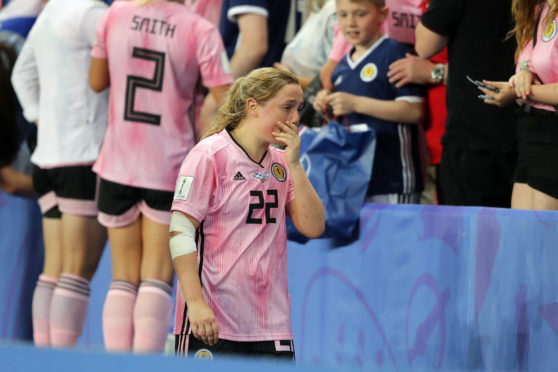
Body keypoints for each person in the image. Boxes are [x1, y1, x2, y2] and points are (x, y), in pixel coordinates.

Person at [89, 0, 233, 354]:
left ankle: (116, 363)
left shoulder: (114, 13)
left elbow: (96, 82)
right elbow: (229, 102)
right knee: (156, 276)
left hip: (118, 160)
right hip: (169, 165)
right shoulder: (199, 29)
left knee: (122, 277)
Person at [171, 67, 325, 359]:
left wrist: (294, 165)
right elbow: (180, 232)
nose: (295, 118)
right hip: (213, 322)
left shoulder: (282, 163)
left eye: (299, 108)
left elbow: (314, 227)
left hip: (272, 326)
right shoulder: (209, 156)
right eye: (287, 107)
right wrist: (195, 303)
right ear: (253, 106)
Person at [11, 0, 109, 348]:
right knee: (76, 270)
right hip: (82, 157)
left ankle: (45, 359)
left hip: (48, 159)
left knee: (55, 268)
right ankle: (62, 361)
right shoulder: (92, 14)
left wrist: (42, 119)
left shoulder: (52, 11)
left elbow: (20, 75)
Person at [313, 0, 425, 204]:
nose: (350, 23)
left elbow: (414, 111)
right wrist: (327, 104)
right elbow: (344, 115)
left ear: (382, 15)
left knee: (395, 236)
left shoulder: (395, 54)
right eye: (343, 15)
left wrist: (356, 103)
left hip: (393, 177)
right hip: (355, 178)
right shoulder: (341, 68)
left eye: (360, 14)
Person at [415, 0, 518, 207]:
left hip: (473, 137)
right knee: (523, 235)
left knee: (469, 236)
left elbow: (425, 45)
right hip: (528, 133)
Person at [476, 0, 558, 210]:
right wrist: (523, 76)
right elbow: (532, 68)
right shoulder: (538, 9)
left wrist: (521, 91)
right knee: (522, 234)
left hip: (552, 136)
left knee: (545, 237)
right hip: (530, 131)